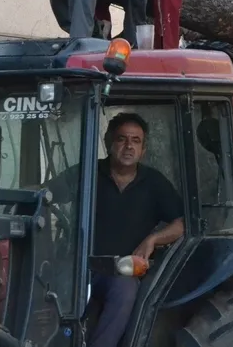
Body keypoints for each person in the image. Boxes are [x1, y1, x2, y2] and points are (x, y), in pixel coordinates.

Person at [48, 113, 184, 347]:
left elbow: (181, 222)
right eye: (122, 139)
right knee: (50, 295)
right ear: (109, 142)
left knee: (125, 290)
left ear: (143, 149)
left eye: (136, 141)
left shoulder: (154, 182)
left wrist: (153, 239)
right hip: (78, 266)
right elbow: (48, 194)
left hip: (122, 269)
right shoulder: (87, 173)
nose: (129, 146)